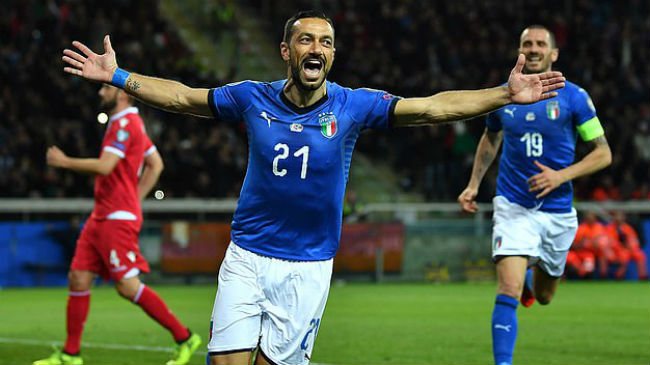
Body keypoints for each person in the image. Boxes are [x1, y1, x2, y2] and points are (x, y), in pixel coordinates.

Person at [61, 11, 565, 365]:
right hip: (248, 257)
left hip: (309, 267)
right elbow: (181, 96)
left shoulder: (353, 105)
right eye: (306, 40)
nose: (317, 49)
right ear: (286, 50)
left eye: (325, 42)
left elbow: (432, 107)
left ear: (333, 54)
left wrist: (503, 93)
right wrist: (120, 75)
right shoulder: (250, 97)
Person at [457, 25, 611, 365]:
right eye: (528, 43)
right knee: (507, 291)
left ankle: (531, 277)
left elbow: (603, 153)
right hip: (513, 206)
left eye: (542, 43)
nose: (534, 48)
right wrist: (473, 184)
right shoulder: (504, 96)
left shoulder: (574, 98)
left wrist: (561, 175)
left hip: (557, 212)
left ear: (554, 53)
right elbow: (490, 138)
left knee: (543, 296)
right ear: (520, 51)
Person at [34, 84, 201, 365]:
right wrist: (135, 199)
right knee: (78, 278)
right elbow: (156, 164)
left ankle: (184, 337)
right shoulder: (128, 123)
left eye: (105, 88)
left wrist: (65, 162)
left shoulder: (126, 123)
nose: (100, 93)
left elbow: (105, 166)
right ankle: (70, 354)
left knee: (126, 285)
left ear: (122, 93)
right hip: (102, 215)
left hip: (116, 219)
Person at [606, 211, 648, 280]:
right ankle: (619, 276)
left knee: (640, 255)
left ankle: (643, 277)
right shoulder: (610, 228)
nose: (619, 218)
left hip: (628, 250)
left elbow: (634, 240)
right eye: (617, 216)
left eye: (620, 216)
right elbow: (610, 242)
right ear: (614, 218)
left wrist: (630, 247)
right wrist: (621, 247)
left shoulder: (628, 228)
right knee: (623, 256)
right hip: (616, 251)